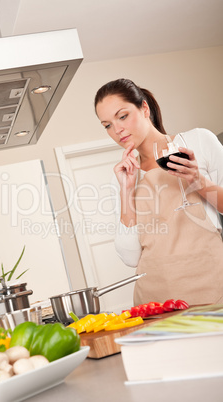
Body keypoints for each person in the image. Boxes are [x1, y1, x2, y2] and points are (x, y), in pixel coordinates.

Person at [94, 78, 223, 306]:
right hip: (156, 301)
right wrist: (127, 191)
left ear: (144, 108)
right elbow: (131, 257)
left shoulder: (199, 141)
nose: (117, 130)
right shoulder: (125, 174)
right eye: (107, 125)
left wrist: (198, 180)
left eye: (122, 116)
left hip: (212, 286)